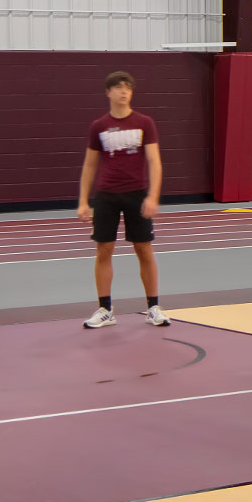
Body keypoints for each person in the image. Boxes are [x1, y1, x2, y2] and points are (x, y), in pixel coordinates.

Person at [79, 71, 169, 328]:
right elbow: (89, 165)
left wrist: (152, 196)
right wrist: (84, 201)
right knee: (104, 250)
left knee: (144, 249)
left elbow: (154, 161)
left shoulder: (144, 123)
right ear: (108, 92)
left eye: (128, 87)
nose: (123, 91)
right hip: (106, 195)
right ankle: (105, 309)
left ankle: (153, 307)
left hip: (137, 194)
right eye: (118, 87)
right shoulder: (99, 126)